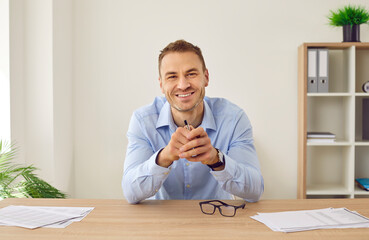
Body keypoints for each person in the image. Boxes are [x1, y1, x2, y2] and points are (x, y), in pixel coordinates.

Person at [122, 40, 264, 204]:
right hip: (162, 223)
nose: (182, 85)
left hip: (217, 220)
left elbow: (254, 191)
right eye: (172, 76)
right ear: (161, 85)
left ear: (206, 77)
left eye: (191, 74)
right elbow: (130, 193)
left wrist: (216, 159)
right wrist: (164, 157)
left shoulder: (233, 118)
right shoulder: (142, 121)